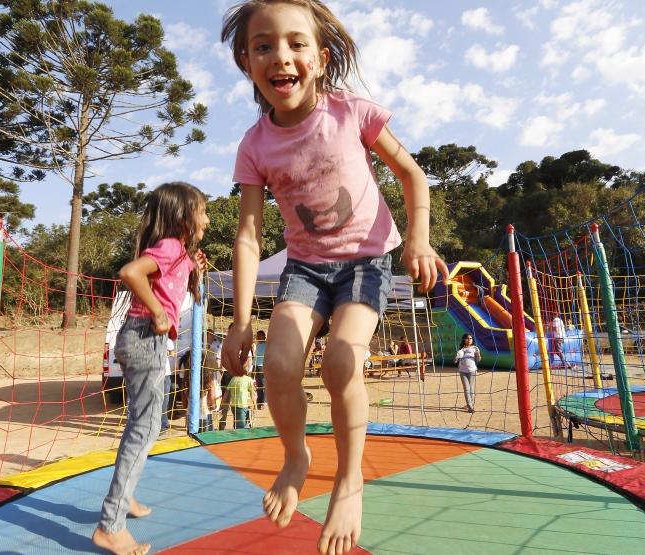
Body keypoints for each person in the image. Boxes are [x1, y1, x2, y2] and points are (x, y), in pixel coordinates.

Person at [220, 2, 448, 552]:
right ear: (248, 62)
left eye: (297, 44)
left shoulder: (352, 113)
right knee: (277, 363)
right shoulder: (255, 145)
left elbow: (412, 176)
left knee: (344, 360)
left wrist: (417, 238)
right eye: (264, 46)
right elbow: (249, 236)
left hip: (366, 261)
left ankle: (349, 480)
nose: (282, 56)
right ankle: (296, 454)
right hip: (304, 268)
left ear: (321, 60)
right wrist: (240, 320)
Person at [93, 182, 208, 555]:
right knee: (145, 428)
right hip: (145, 338)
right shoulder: (170, 247)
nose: (206, 217)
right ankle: (111, 525)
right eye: (202, 211)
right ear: (183, 217)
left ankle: (124, 499)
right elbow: (130, 273)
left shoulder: (181, 255)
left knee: (145, 426)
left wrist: (196, 270)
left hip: (145, 341)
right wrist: (157, 312)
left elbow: (181, 293)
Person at [455, 333, 481, 413]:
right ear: (464, 340)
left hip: (472, 371)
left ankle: (470, 403)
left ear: (472, 340)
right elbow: (457, 358)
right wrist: (456, 358)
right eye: (467, 338)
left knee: (471, 388)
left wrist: (478, 355)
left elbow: (479, 359)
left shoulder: (475, 348)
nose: (469, 340)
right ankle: (470, 406)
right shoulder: (461, 350)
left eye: (470, 338)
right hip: (462, 371)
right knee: (466, 389)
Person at [254, 330, 267, 408]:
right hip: (257, 366)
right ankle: (259, 401)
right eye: (257, 335)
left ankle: (263, 402)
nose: (258, 337)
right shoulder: (258, 345)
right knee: (259, 384)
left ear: (264, 336)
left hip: (262, 366)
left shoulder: (266, 345)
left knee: (263, 384)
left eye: (259, 335)